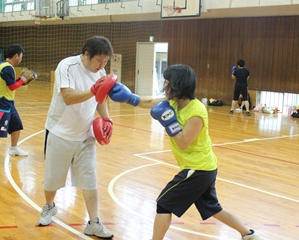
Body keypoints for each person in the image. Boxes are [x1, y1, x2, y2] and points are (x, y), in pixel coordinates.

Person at [108, 64, 260, 240]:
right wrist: (130, 98)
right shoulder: (173, 102)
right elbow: (150, 102)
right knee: (213, 209)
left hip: (198, 169)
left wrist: (168, 122)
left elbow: (183, 142)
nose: (164, 87)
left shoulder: (196, 111)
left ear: (177, 85)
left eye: (167, 83)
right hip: (202, 168)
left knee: (164, 204)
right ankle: (249, 235)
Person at [38, 36, 114, 239]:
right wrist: (92, 90)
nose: (102, 65)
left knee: (90, 179)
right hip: (59, 131)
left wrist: (107, 119)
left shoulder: (101, 72)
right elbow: (68, 97)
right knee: (52, 181)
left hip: (85, 135)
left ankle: (94, 223)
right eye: (99, 60)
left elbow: (100, 98)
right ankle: (49, 206)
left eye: (105, 61)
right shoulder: (67, 66)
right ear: (86, 54)